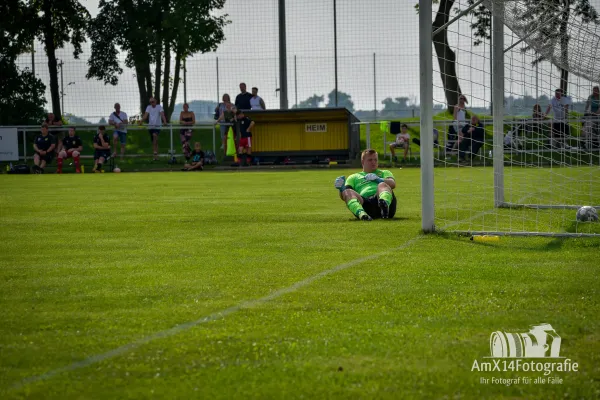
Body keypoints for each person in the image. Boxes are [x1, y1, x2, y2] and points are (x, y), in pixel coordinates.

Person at [333, 149, 397, 221]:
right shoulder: (353, 177)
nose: (373, 162)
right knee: (347, 191)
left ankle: (385, 206)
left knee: (382, 184)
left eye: (375, 160)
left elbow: (392, 184)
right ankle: (362, 214)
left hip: (383, 200)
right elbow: (345, 196)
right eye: (370, 160)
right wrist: (341, 189)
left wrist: (379, 179)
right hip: (366, 204)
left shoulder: (384, 172)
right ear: (363, 162)